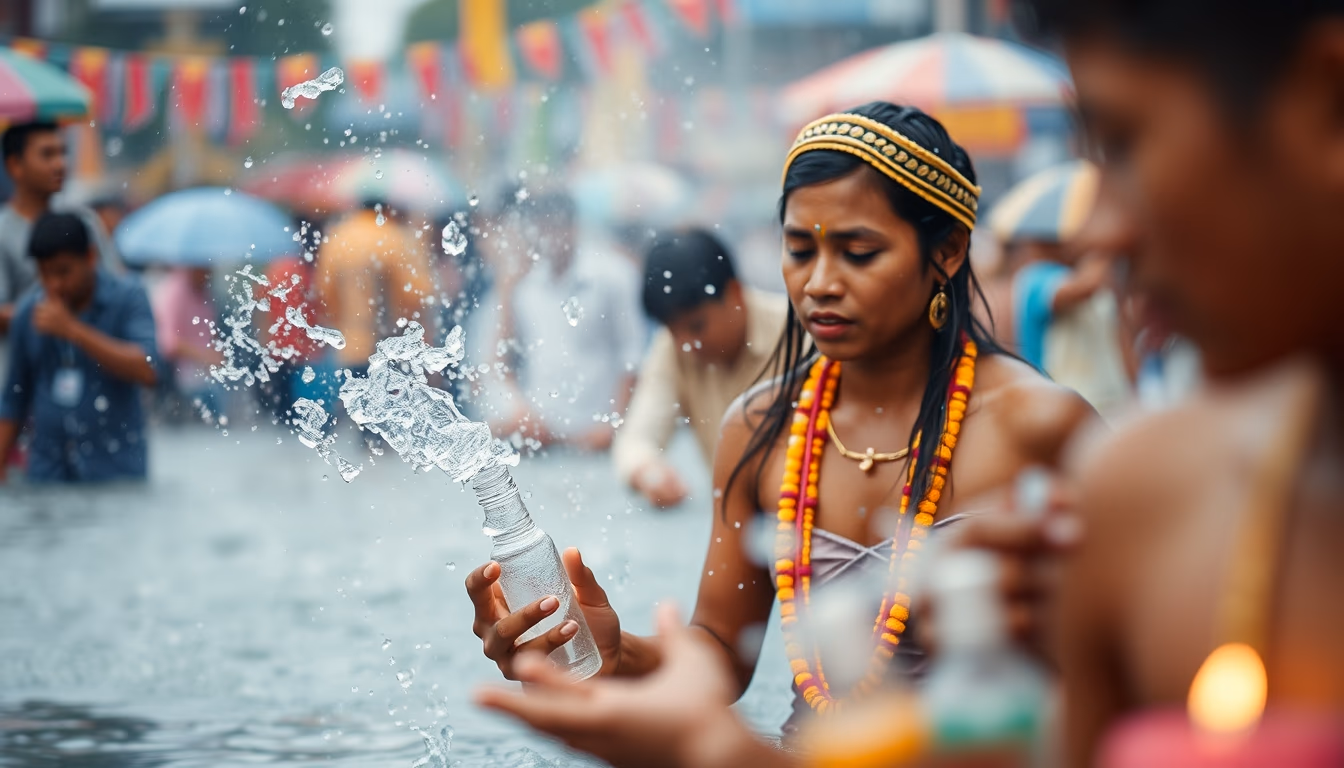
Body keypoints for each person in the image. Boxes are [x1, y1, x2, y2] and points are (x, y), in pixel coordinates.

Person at [467, 102, 1094, 752]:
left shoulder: (1044, 426)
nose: (819, 283)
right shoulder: (759, 428)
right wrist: (611, 648)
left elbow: (1132, 672)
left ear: (948, 250)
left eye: (858, 252)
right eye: (800, 249)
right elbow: (719, 655)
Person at [612, 229, 789, 508]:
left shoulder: (797, 334)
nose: (685, 344)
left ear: (734, 294)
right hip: (734, 524)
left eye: (697, 326)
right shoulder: (672, 348)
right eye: (673, 330)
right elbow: (638, 436)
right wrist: (649, 473)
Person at [0, 212, 157, 483]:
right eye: (45, 274)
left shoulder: (128, 297)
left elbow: (148, 368)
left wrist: (73, 331)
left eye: (63, 271)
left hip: (118, 476)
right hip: (47, 477)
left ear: (91, 258)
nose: (54, 284)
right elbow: (14, 399)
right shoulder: (28, 313)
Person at [485, 192, 644, 451]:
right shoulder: (526, 285)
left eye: (557, 226)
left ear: (574, 227)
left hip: (597, 433)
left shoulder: (611, 277)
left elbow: (632, 354)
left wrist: (617, 423)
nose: (551, 236)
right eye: (543, 228)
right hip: (542, 435)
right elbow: (502, 361)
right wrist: (520, 412)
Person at [0, 122, 121, 336]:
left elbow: (115, 287)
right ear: (15, 165)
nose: (60, 164)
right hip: (21, 363)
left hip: (85, 358)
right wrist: (52, 315)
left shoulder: (84, 221)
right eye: (47, 155)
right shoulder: (3, 231)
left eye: (63, 153)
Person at [313, 200, 433, 374]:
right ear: (387, 208)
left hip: (351, 347)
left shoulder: (338, 238)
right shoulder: (394, 237)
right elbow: (416, 295)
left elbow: (324, 292)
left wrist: (343, 323)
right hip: (391, 348)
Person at [151, 266, 223, 418]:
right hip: (179, 373)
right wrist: (203, 356)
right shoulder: (174, 292)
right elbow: (167, 342)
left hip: (202, 371)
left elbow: (209, 332)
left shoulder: (203, 292)